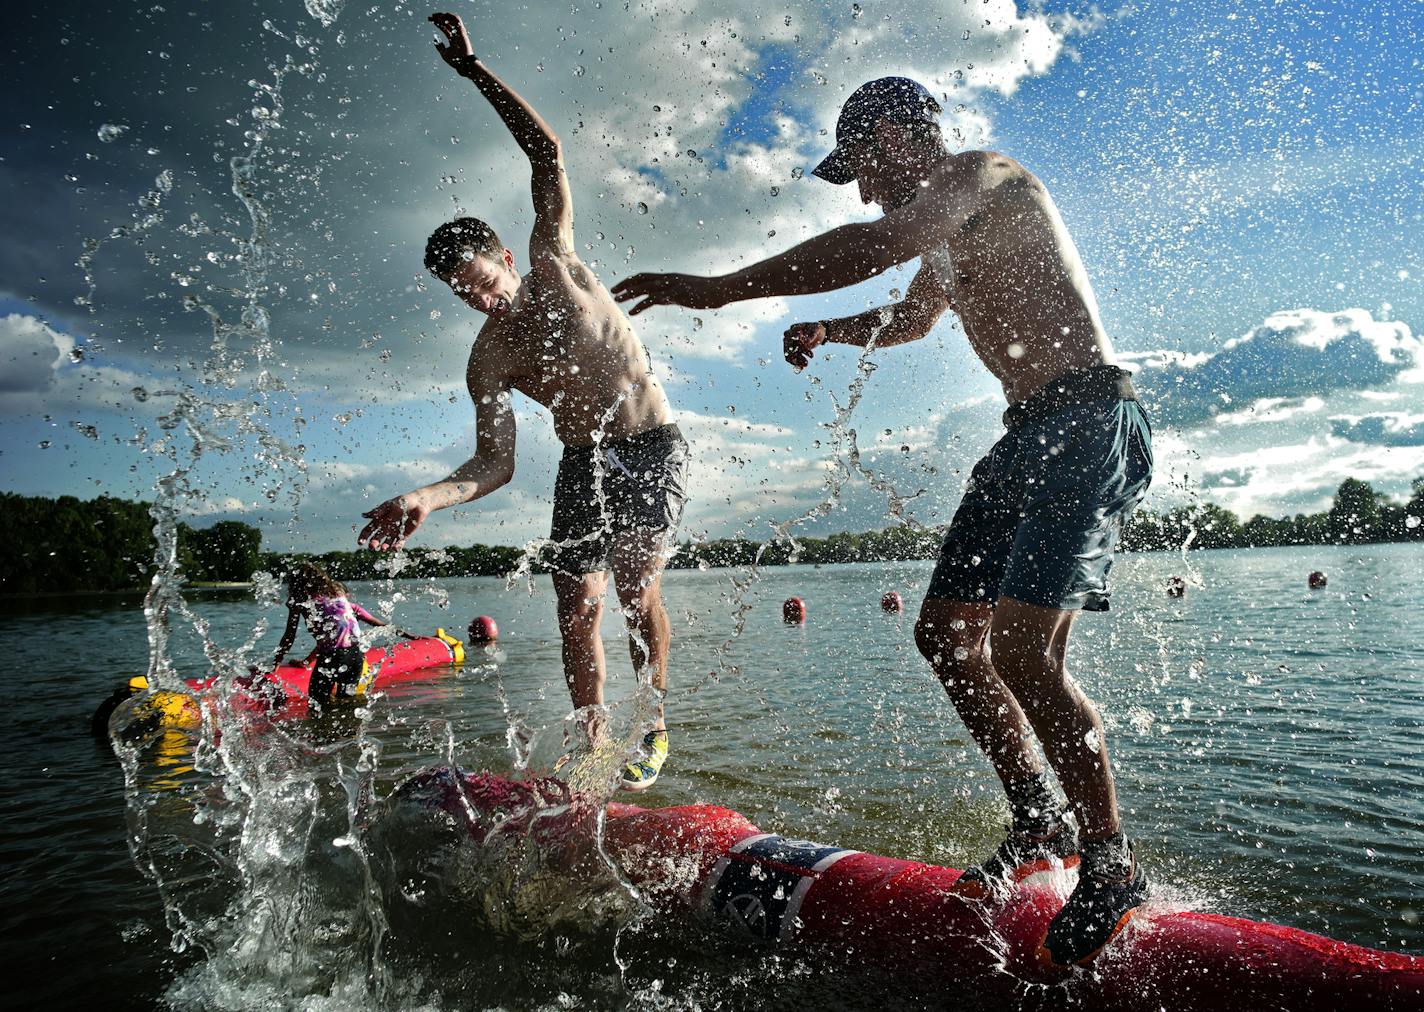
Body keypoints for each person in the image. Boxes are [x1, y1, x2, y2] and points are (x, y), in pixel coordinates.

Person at [611, 77, 1154, 965]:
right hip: (1026, 435)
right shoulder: (944, 232)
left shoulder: (987, 177)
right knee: (945, 636)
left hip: (1091, 420)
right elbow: (909, 316)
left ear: (902, 133)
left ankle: (1110, 861)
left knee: (1023, 653)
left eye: (861, 164)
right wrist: (829, 331)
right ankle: (1037, 815)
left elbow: (874, 242)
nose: (862, 188)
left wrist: (716, 290)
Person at [357, 13, 689, 792]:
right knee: (576, 607)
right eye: (462, 292)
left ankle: (652, 723)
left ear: (507, 256)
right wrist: (428, 499)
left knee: (637, 581)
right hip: (583, 463)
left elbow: (547, 152)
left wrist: (475, 71)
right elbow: (494, 463)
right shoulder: (490, 358)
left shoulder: (554, 259)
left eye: (482, 277)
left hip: (647, 444)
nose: (481, 298)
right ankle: (592, 740)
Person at [274, 562, 389, 704]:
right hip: (356, 654)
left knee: (316, 702)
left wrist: (276, 663)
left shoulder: (299, 601)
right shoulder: (337, 592)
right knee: (348, 702)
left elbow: (289, 636)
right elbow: (338, 632)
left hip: (332, 656)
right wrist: (307, 661)